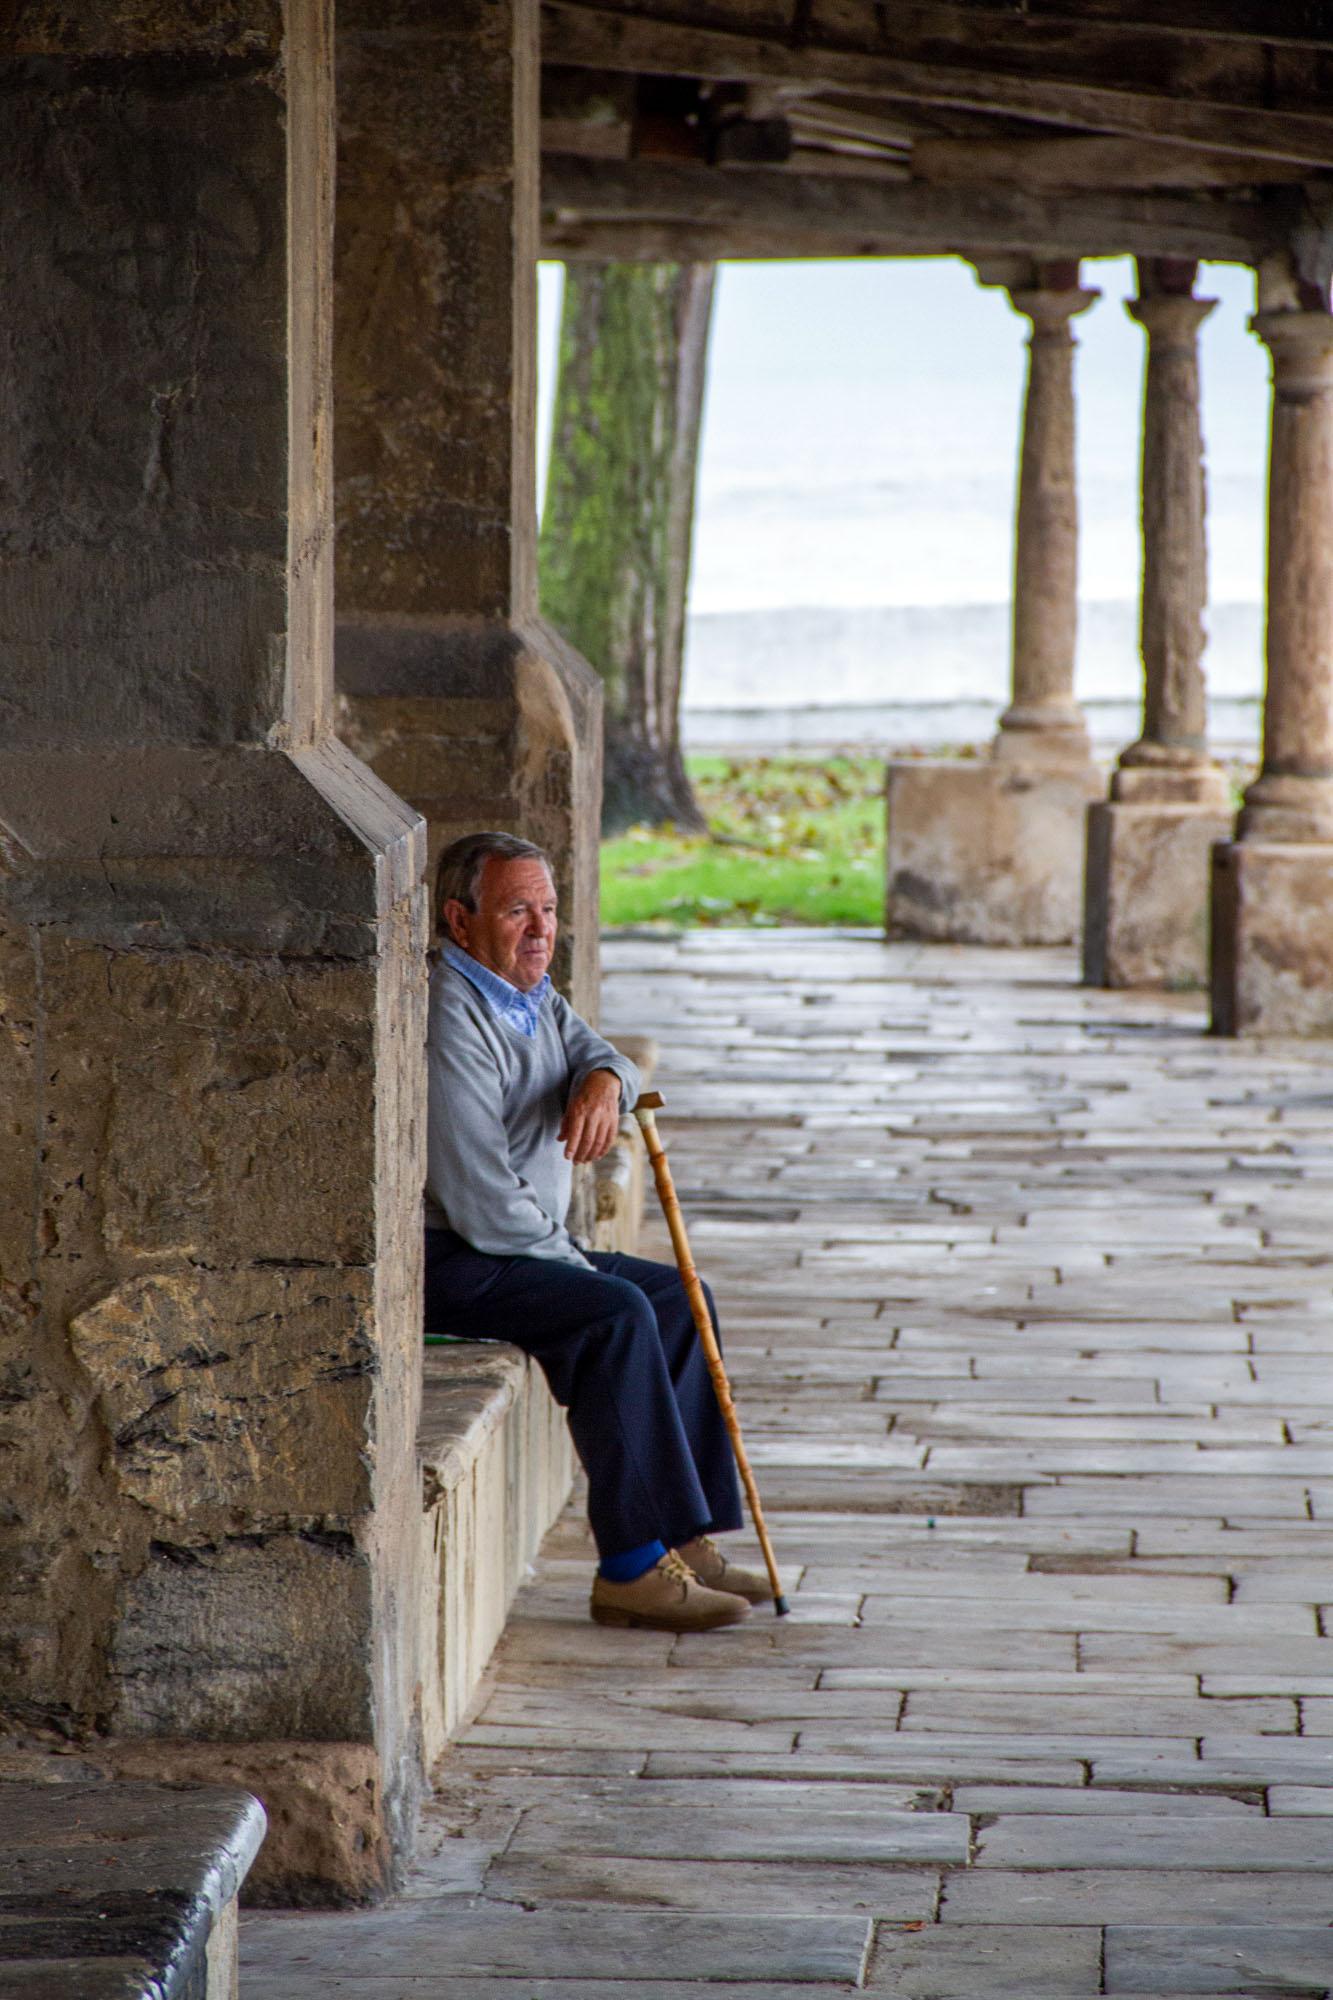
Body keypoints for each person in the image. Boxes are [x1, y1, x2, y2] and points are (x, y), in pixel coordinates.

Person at [422, 829, 772, 1633]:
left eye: (547, 909)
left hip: (520, 1245)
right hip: (460, 1257)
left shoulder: (528, 992)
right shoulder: (454, 1015)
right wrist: (575, 1265)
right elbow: (479, 1202)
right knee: (613, 1312)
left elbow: (612, 1056)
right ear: (459, 920)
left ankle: (684, 1540)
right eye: (517, 911)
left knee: (682, 1296)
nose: (541, 929)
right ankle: (630, 1569)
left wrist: (604, 1080)